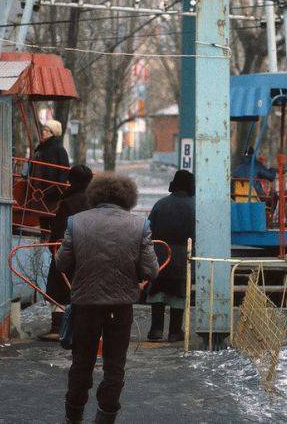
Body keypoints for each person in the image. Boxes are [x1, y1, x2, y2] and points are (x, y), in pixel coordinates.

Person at [56, 174, 159, 424]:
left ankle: (73, 416)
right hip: (120, 306)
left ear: (95, 195)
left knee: (81, 363)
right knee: (115, 366)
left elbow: (61, 262)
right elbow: (151, 270)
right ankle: (105, 418)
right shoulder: (139, 225)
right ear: (128, 197)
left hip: (85, 305)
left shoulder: (76, 223)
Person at [40, 164, 94, 342]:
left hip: (68, 252)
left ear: (71, 180)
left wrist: (54, 248)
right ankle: (83, 328)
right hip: (90, 253)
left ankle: (58, 327)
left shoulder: (67, 202)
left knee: (59, 288)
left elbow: (59, 230)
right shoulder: (94, 201)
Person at [146, 170, 194, 342]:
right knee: (178, 294)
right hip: (183, 256)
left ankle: (156, 330)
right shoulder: (194, 205)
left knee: (158, 292)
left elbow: (148, 230)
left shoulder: (160, 204)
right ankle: (175, 332)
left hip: (160, 254)